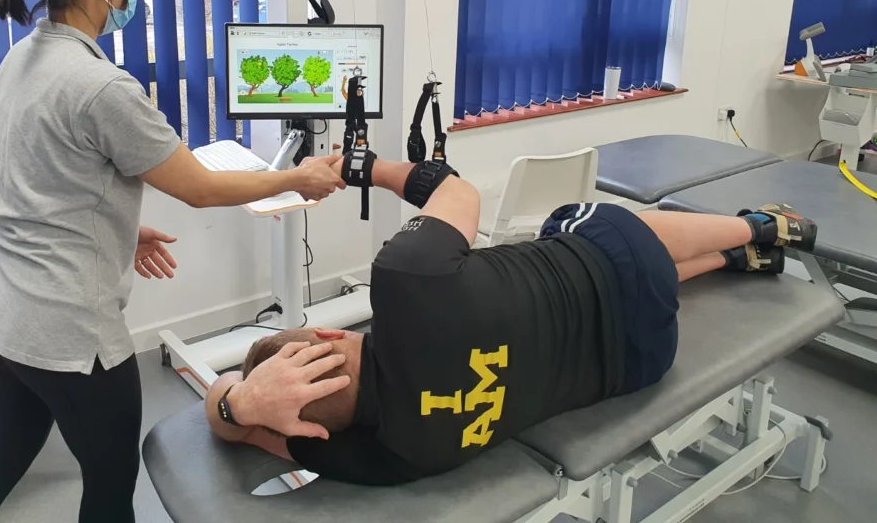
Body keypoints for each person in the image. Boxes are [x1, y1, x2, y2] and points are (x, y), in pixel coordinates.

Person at [0, 0, 345, 523]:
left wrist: (115, 233)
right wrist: (300, 177)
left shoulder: (20, 59)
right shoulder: (102, 88)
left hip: (5, 308)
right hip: (68, 331)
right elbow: (201, 189)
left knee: (0, 460)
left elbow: (27, 184)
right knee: (110, 484)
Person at [204, 152, 818, 486]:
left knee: (622, 277)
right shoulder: (406, 284)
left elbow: (227, 418)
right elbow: (455, 188)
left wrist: (246, 405)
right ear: (332, 333)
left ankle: (734, 257)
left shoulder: (396, 458)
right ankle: (761, 226)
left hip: (644, 359)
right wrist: (363, 168)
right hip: (625, 268)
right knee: (579, 222)